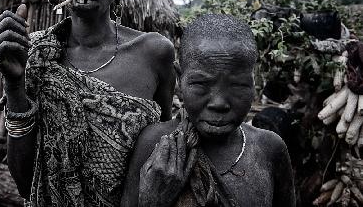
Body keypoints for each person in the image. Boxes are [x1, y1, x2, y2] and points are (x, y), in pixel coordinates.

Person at [0, 0, 175, 207]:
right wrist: (14, 83)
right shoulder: (33, 55)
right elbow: (24, 183)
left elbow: (162, 155)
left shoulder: (154, 52)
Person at [121, 14, 295, 207]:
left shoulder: (268, 148)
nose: (219, 103)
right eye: (201, 84)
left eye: (237, 85)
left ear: (253, 82)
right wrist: (153, 201)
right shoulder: (154, 143)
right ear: (180, 79)